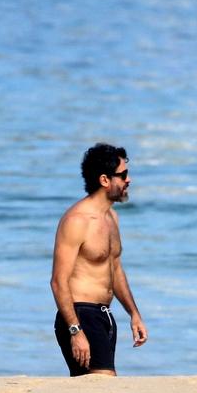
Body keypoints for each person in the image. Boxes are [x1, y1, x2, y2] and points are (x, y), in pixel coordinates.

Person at [51, 143, 148, 376]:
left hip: (104, 315)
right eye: (123, 174)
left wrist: (134, 314)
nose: (129, 180)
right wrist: (75, 330)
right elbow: (58, 281)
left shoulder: (111, 217)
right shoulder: (77, 220)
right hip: (80, 315)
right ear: (105, 180)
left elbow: (115, 268)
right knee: (103, 385)